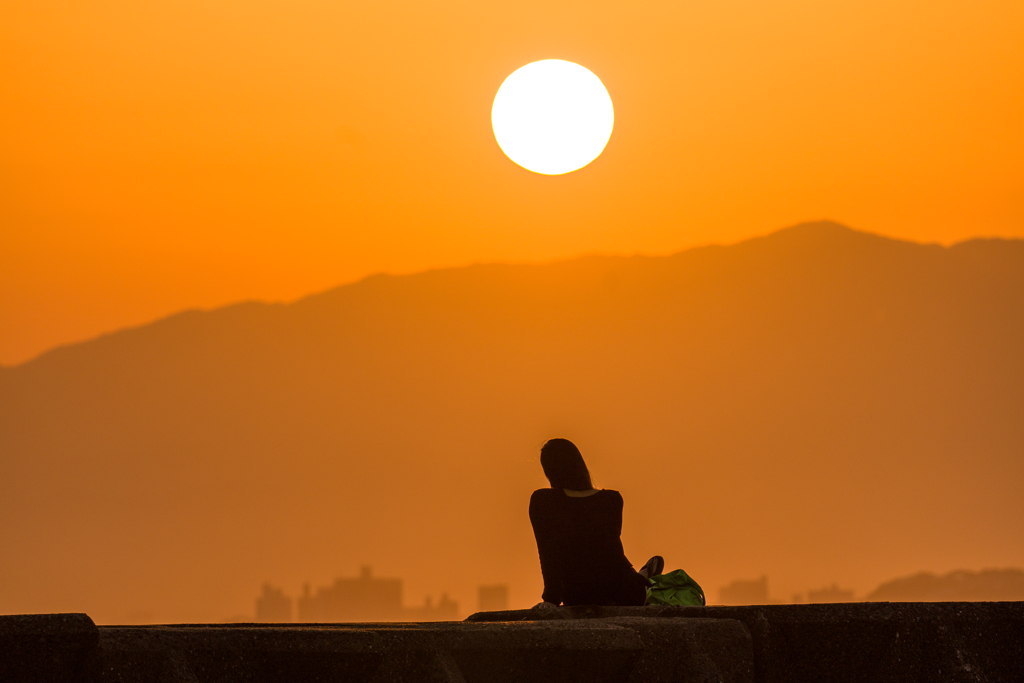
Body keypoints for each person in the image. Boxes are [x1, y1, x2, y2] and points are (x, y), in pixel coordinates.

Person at [529, 438, 663, 609]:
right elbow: (608, 552)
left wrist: (551, 599)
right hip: (625, 592)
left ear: (549, 471)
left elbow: (548, 553)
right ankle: (642, 577)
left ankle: (642, 576)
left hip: (579, 595)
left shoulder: (543, 502)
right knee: (628, 576)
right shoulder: (611, 500)